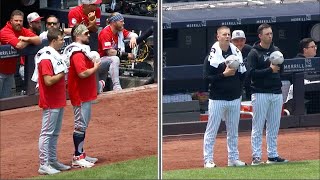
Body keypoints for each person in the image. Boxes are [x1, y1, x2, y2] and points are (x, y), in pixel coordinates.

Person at [203, 26, 247, 168]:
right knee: (212, 130)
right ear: (218, 37)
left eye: (229, 34)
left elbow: (242, 74)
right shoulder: (211, 57)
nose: (227, 37)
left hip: (234, 98)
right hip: (217, 99)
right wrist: (224, 75)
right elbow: (207, 78)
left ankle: (233, 158)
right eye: (224, 34)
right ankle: (208, 160)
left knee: (233, 131)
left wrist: (238, 90)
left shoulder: (237, 54)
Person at [247, 23, 289, 165]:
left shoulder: (276, 50)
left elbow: (281, 70)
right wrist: (269, 70)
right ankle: (256, 157)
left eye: (271, 33)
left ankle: (272, 155)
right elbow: (251, 74)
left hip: (276, 92)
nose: (270, 36)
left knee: (273, 126)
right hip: (260, 93)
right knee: (258, 126)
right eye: (267, 34)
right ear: (260, 36)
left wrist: (276, 68)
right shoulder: (254, 53)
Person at [32, 28, 70, 175]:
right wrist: (62, 73)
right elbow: (48, 81)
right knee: (47, 133)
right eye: (61, 39)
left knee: (55, 133)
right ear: (54, 40)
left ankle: (53, 160)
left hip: (58, 99)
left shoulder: (54, 55)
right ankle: (44, 164)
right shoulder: (46, 58)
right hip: (50, 101)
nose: (63, 41)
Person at [68, 24, 100, 168]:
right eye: (86, 33)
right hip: (79, 95)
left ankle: (81, 154)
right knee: (80, 126)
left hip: (84, 93)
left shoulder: (82, 51)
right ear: (78, 36)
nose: (88, 35)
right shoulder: (77, 53)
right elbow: (82, 73)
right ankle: (77, 157)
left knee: (83, 124)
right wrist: (95, 67)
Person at [98, 12, 154, 90]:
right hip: (100, 63)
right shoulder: (105, 32)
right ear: (114, 22)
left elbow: (134, 35)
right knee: (114, 59)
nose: (123, 23)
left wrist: (133, 38)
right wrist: (127, 55)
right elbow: (110, 52)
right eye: (121, 21)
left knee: (99, 88)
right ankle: (117, 87)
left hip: (109, 64)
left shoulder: (120, 31)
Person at [0, 9, 41, 98]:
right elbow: (19, 45)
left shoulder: (22, 30)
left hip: (10, 72)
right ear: (11, 21)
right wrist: (29, 41)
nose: (18, 23)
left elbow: (38, 40)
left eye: (20, 21)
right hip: (1, 71)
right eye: (16, 21)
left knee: (7, 102)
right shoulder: (5, 31)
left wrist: (26, 39)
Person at [284, 38, 319, 113]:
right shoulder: (297, 61)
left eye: (315, 46)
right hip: (302, 98)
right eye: (312, 47)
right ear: (305, 50)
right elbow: (305, 78)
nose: (315, 48)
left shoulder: (315, 61)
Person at [231, 30, 253, 100]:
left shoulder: (250, 50)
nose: (239, 43)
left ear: (245, 40)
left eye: (241, 40)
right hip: (233, 86)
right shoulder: (227, 51)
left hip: (248, 85)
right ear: (231, 41)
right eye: (236, 41)